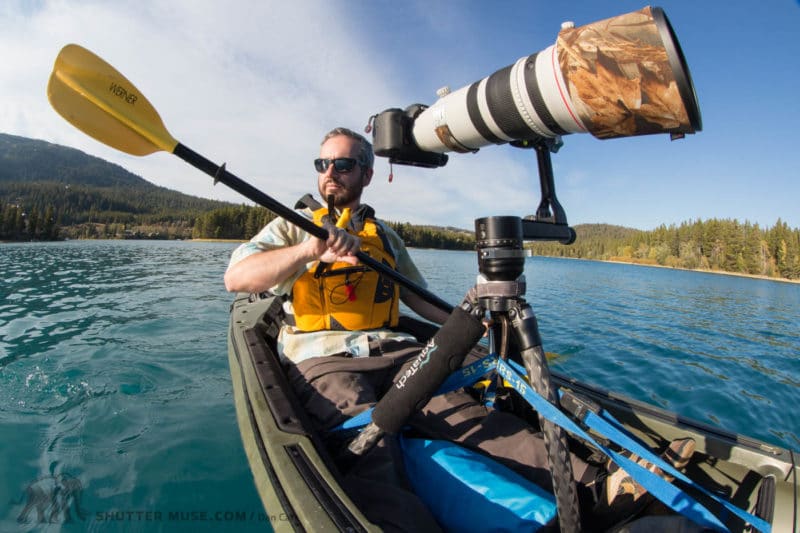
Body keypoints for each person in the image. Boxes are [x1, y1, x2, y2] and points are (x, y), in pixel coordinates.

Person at [224, 127, 694, 531]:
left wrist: (478, 311)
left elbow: (420, 298)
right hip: (324, 360)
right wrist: (308, 251)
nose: (331, 172)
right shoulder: (292, 225)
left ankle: (596, 490)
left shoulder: (384, 236)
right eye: (323, 163)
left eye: (343, 164)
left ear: (366, 174)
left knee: (472, 417)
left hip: (398, 352)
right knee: (368, 446)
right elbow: (237, 278)